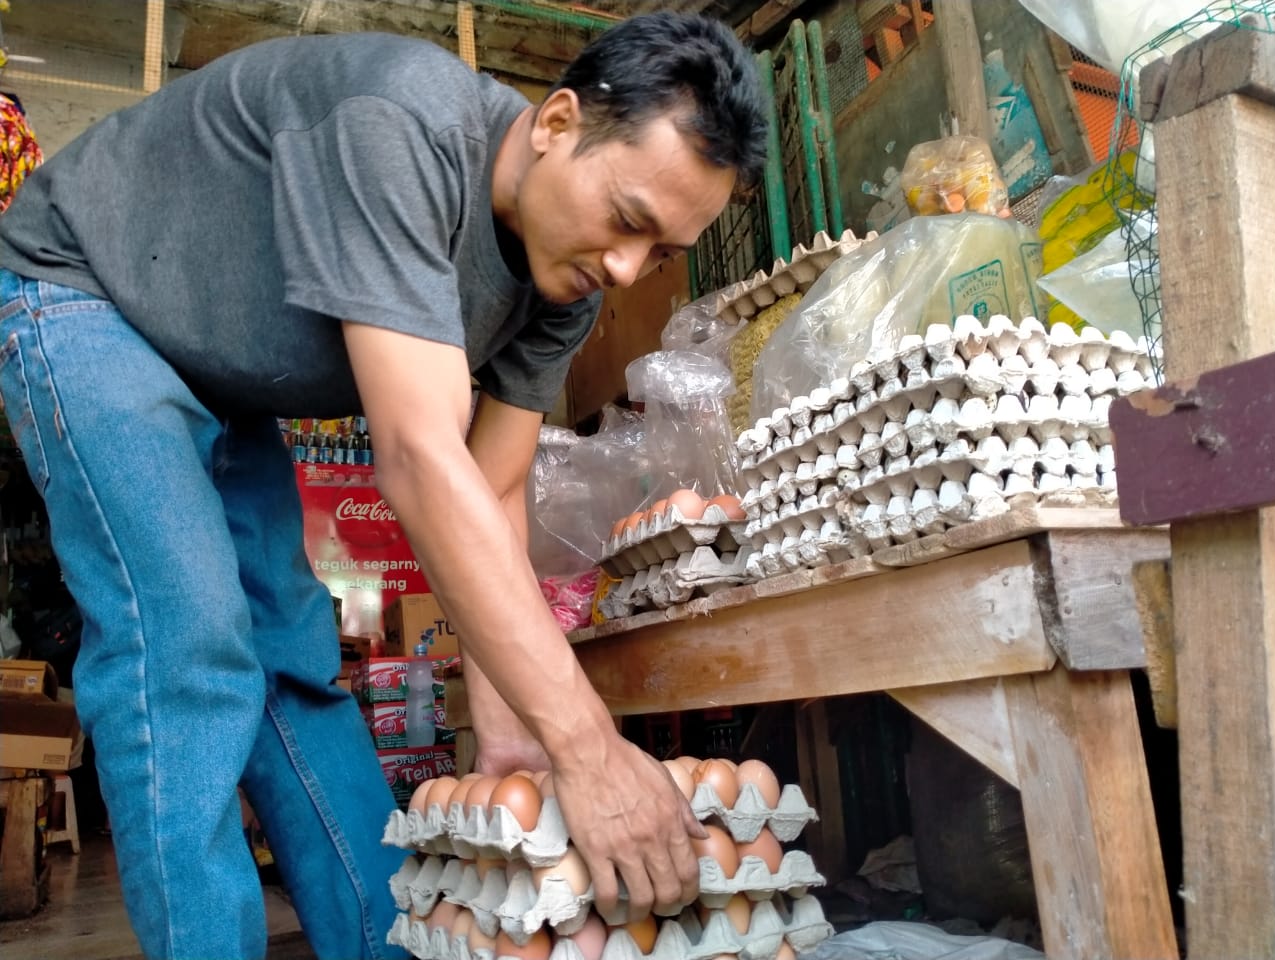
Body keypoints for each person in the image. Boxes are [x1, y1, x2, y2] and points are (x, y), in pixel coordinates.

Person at [0, 11, 765, 960]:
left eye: (659, 254)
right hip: (86, 294)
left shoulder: (565, 280)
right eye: (627, 220)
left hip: (220, 371)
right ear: (558, 122)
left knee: (293, 655)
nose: (623, 267)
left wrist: (512, 719)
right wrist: (587, 747)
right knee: (186, 642)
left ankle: (383, 945)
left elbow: (488, 493)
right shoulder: (398, 126)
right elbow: (418, 458)